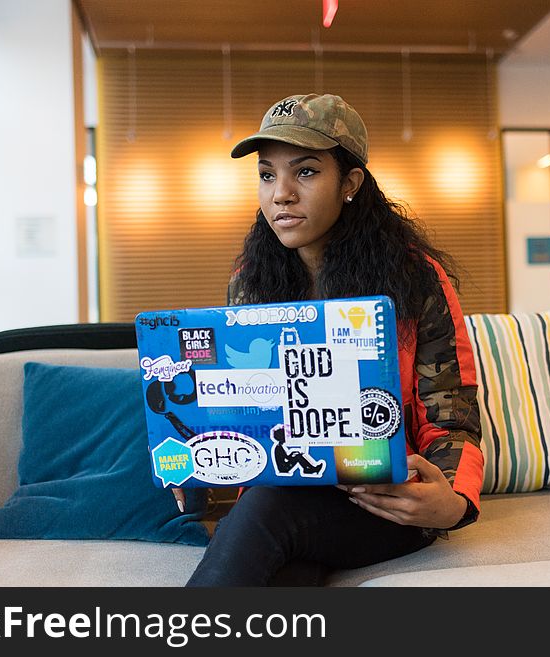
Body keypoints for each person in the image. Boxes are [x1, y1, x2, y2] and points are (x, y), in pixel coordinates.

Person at [181, 93, 483, 586]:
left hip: (386, 502)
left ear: (349, 183)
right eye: (266, 174)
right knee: (286, 562)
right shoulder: (249, 283)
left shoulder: (415, 279)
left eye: (304, 172)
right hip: (284, 493)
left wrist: (450, 502)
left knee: (269, 512)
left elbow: (452, 415)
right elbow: (239, 410)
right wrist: (194, 458)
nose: (280, 193)